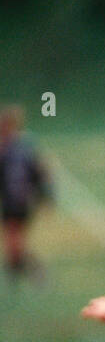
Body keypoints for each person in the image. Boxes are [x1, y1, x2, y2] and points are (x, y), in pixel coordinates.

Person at [0, 106, 50, 278]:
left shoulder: (23, 149)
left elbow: (40, 173)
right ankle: (18, 273)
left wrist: (45, 195)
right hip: (9, 201)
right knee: (13, 243)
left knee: (15, 241)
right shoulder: (6, 149)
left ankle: (33, 271)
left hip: (20, 201)